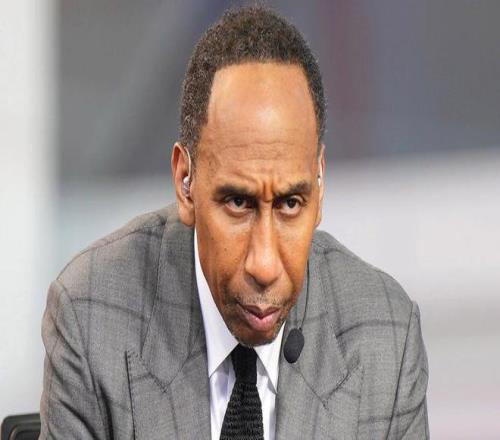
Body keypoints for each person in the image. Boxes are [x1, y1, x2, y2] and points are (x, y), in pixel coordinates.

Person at [40, 6, 429, 439]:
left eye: (291, 204)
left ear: (320, 185)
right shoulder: (91, 317)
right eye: (238, 203)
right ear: (185, 182)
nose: (264, 265)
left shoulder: (387, 338)